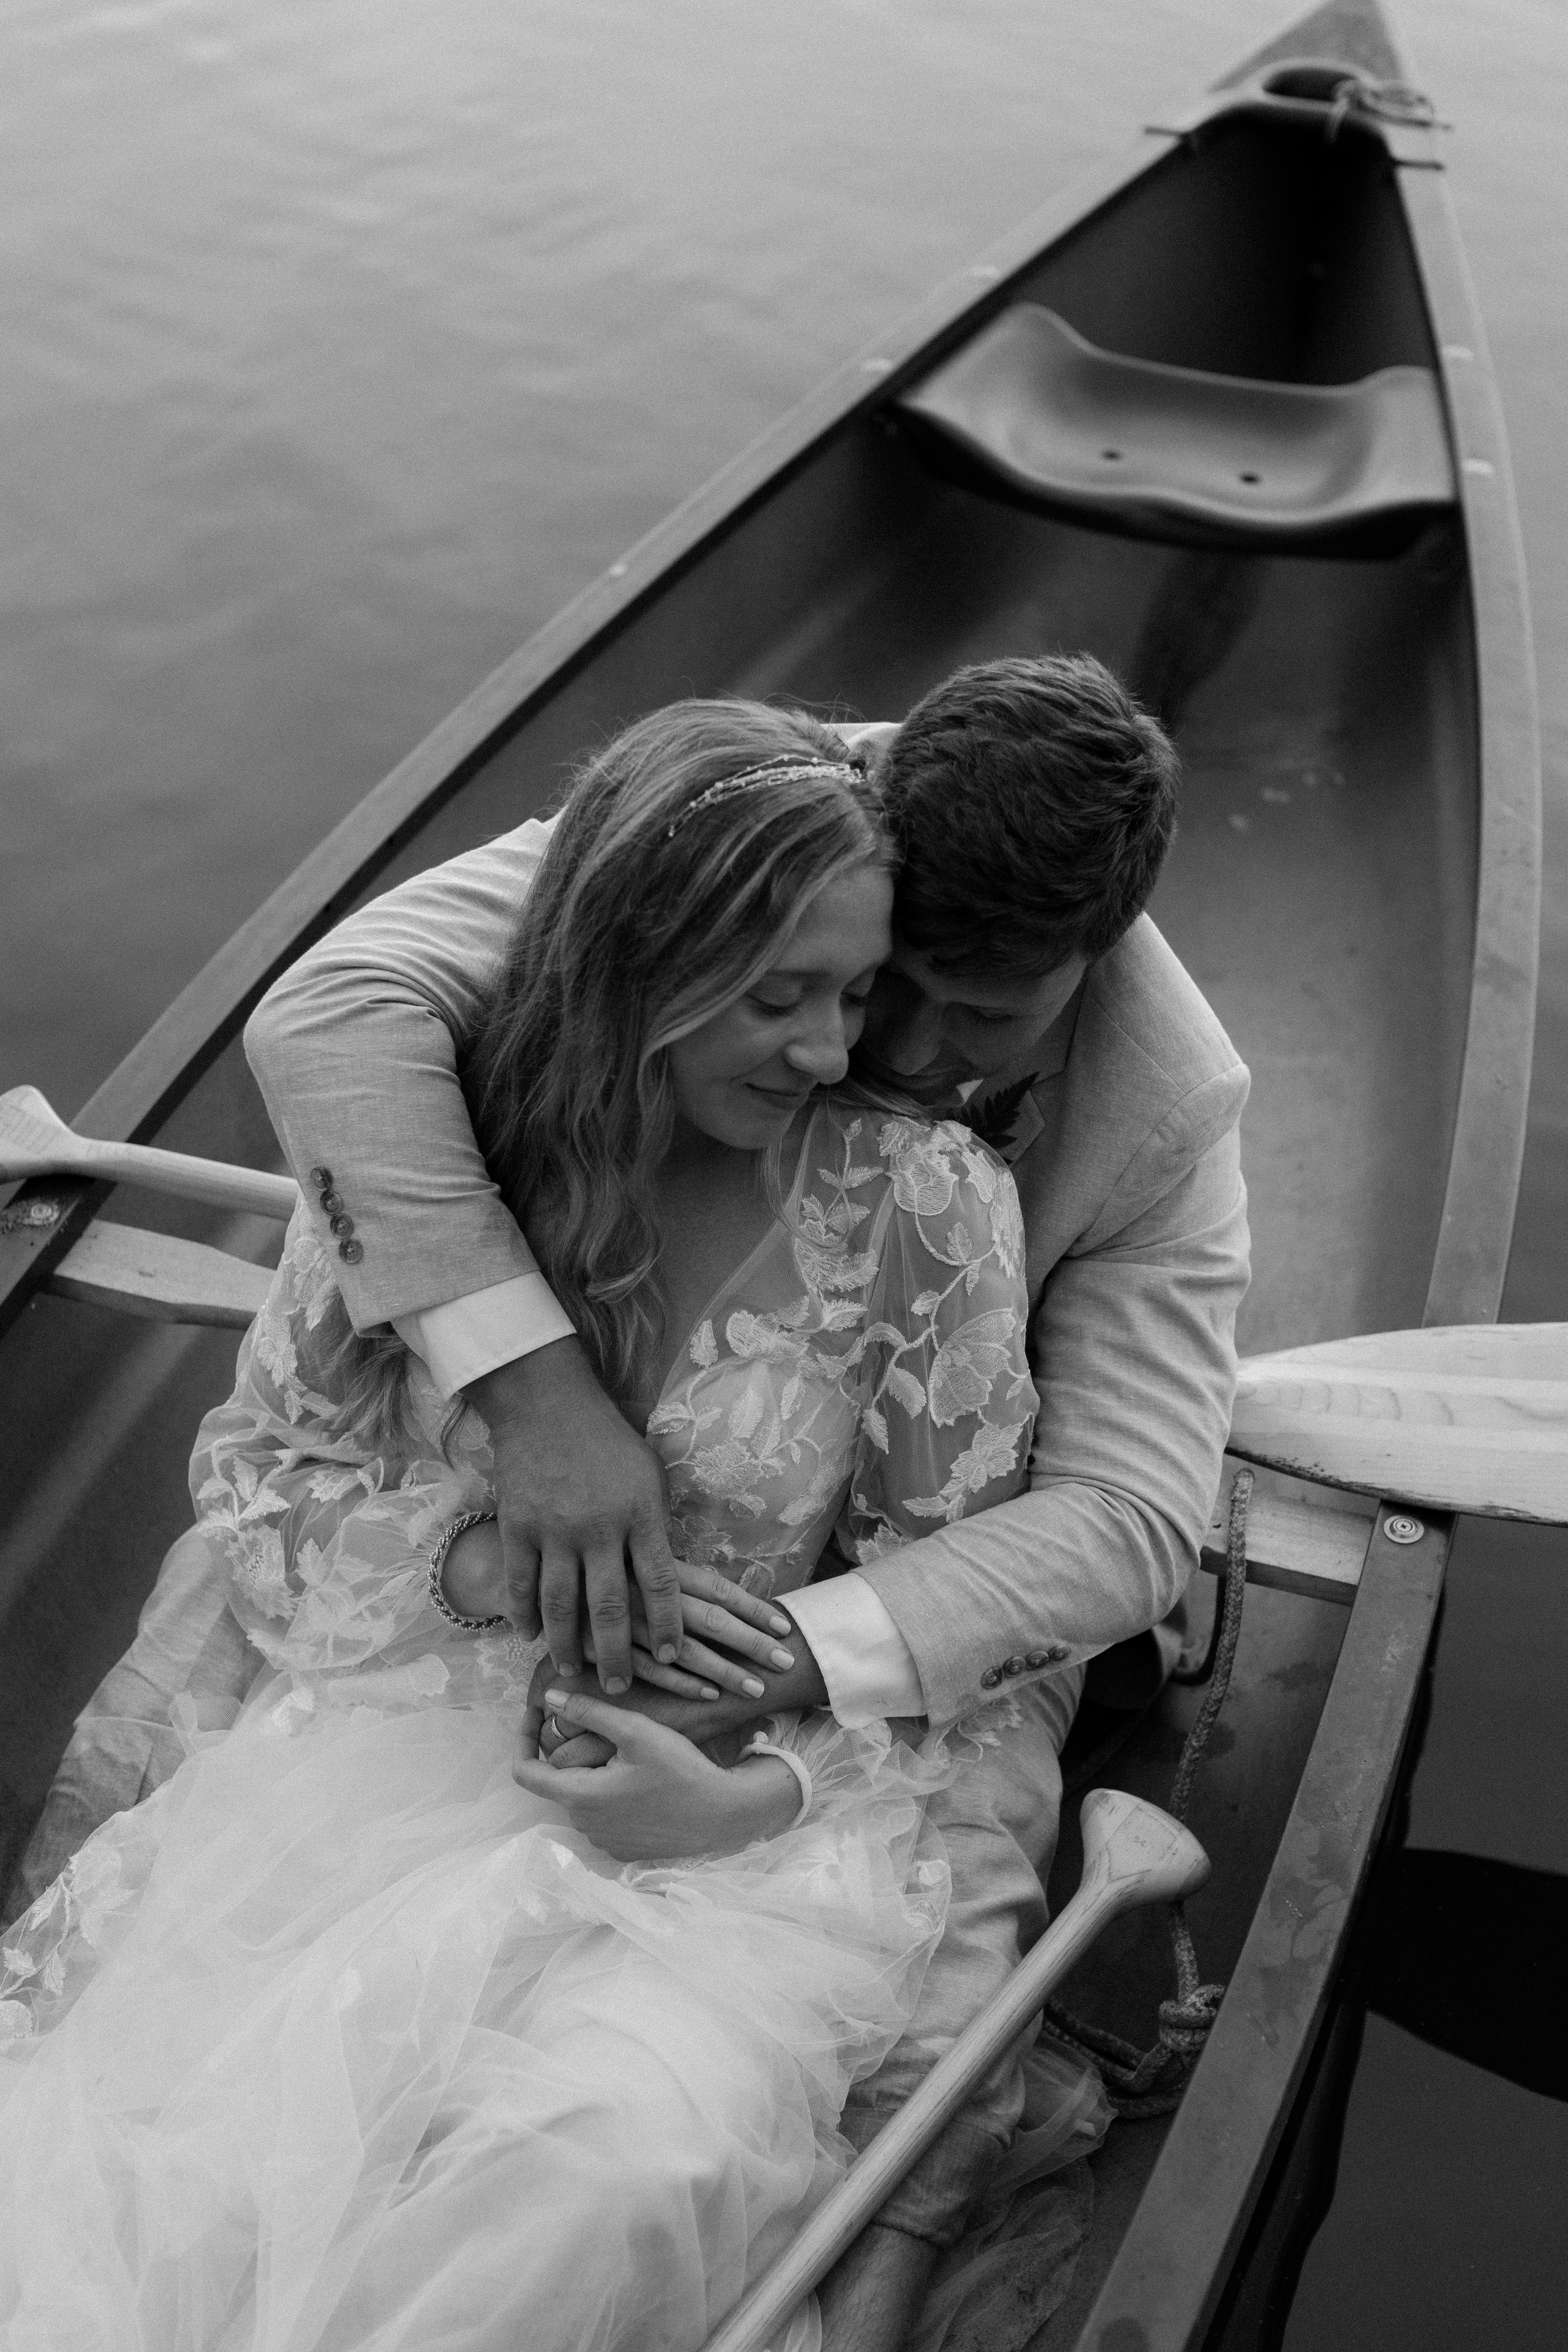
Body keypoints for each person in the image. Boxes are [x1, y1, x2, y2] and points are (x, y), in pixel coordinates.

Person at [0, 701, 1062, 2352]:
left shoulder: (923, 1205)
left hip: (748, 1842)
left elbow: (962, 1627)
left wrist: (749, 1798)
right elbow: (264, 1482)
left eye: (854, 991)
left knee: (610, 2171)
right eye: (775, 994)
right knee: (221, 2163)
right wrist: (489, 1565)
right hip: (382, 1766)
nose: (833, 1051)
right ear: (626, 962)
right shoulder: (439, 1153)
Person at [237, 652, 1251, 2348]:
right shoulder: (748, 828)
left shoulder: (1137, 1120)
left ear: (1091, 965)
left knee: (771, 2086)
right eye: (870, 983)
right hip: (455, 1651)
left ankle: (903, 2202)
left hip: (916, 1601)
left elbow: (1130, 1519)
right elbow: (330, 1018)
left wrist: (776, 1684)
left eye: (978, 1015)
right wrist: (538, 1406)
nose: (889, 1055)